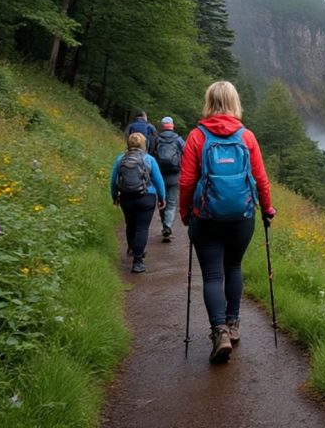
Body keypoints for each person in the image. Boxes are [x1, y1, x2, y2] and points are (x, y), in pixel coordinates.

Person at [179, 81, 275, 364]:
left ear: (208, 102)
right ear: (235, 102)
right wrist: (267, 208)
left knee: (211, 275)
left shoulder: (197, 137)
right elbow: (260, 179)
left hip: (206, 217)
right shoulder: (247, 137)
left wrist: (186, 213)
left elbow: (186, 182)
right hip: (241, 217)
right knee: (233, 266)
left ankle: (219, 332)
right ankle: (233, 325)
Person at [110, 132, 166, 273]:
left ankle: (133, 248)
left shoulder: (120, 159)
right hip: (146, 197)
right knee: (142, 228)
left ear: (128, 144)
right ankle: (138, 261)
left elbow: (113, 181)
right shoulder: (149, 159)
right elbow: (158, 181)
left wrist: (115, 196)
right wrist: (162, 197)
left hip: (126, 197)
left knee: (130, 225)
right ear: (144, 144)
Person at [155, 116, 185, 243]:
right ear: (172, 126)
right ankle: (168, 226)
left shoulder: (156, 139)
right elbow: (187, 153)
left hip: (160, 175)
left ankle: (164, 225)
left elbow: (150, 154)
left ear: (162, 126)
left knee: (162, 200)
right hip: (175, 174)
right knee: (172, 202)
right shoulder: (178, 140)